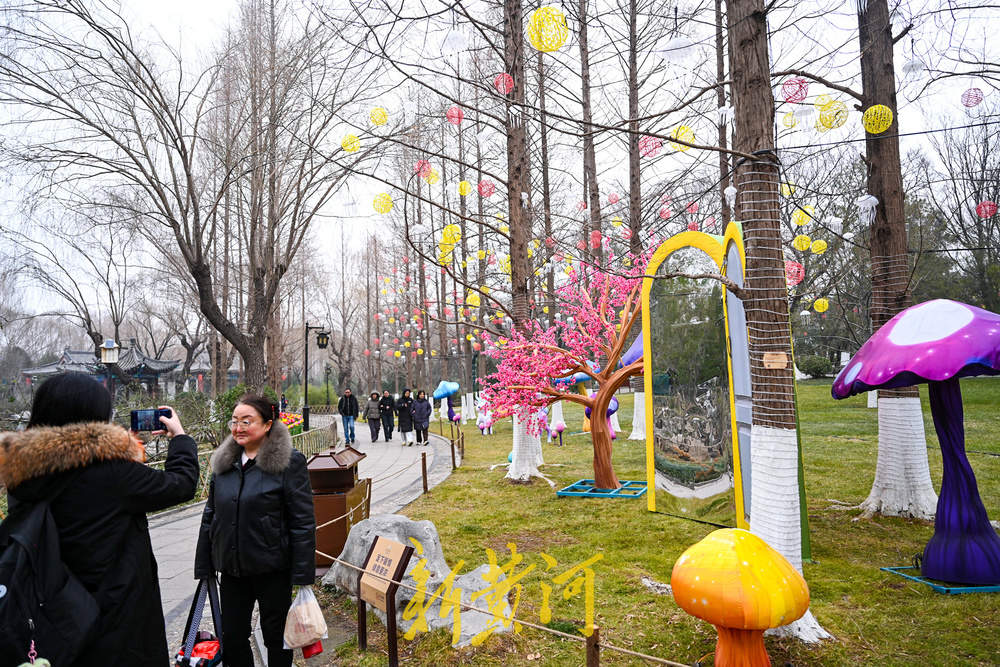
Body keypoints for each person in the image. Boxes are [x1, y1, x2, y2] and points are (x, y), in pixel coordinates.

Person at [0, 372, 198, 666]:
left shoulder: (22, 472)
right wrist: (180, 439)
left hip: (56, 613)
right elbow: (181, 484)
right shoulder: (111, 471)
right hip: (116, 615)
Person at [194, 394, 315, 667]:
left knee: (276, 637)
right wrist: (204, 563)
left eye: (247, 421)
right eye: (234, 421)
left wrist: (303, 574)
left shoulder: (288, 462)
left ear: (268, 424)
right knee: (233, 636)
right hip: (233, 568)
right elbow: (210, 515)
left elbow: (303, 521)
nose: (238, 428)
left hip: (272, 567)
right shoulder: (224, 464)